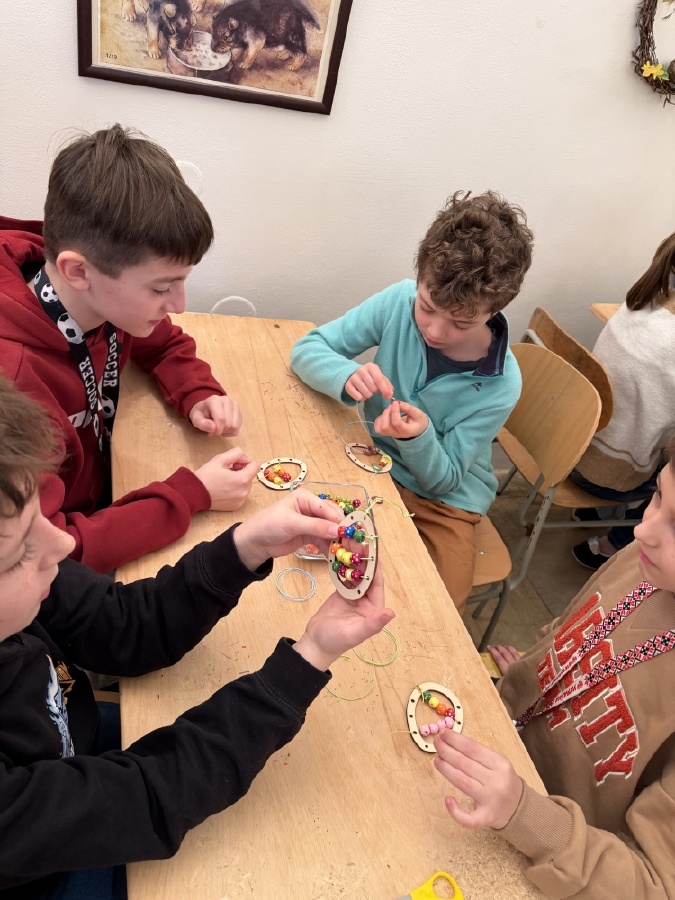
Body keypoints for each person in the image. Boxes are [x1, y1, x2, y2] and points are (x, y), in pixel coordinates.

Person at [0, 376, 395, 900]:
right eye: (20, 552)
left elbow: (124, 626)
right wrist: (307, 660)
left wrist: (244, 547)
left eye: (41, 519)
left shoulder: (25, 588)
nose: (61, 543)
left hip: (74, 756)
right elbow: (147, 798)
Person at [0, 124, 259, 574]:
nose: (178, 304)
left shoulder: (96, 297)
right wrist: (192, 494)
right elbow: (51, 550)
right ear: (78, 271)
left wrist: (197, 391)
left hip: (107, 487)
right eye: (161, 288)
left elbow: (164, 343)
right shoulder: (14, 382)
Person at [433, 436, 675, 898]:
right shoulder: (645, 559)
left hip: (551, 856)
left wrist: (524, 814)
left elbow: (652, 885)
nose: (644, 529)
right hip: (496, 745)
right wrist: (535, 665)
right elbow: (574, 624)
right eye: (659, 495)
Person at [290, 191, 533, 613]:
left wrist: (418, 438)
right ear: (420, 281)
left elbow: (445, 479)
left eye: (461, 323)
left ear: (494, 310)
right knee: (304, 550)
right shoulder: (398, 302)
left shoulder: (503, 384)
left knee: (433, 608)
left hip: (446, 502)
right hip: (370, 460)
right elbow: (307, 349)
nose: (435, 331)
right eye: (427, 307)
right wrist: (346, 375)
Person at [571, 231, 675, 570]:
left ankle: (596, 513)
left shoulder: (643, 300)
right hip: (600, 477)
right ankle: (610, 544)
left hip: (565, 449)